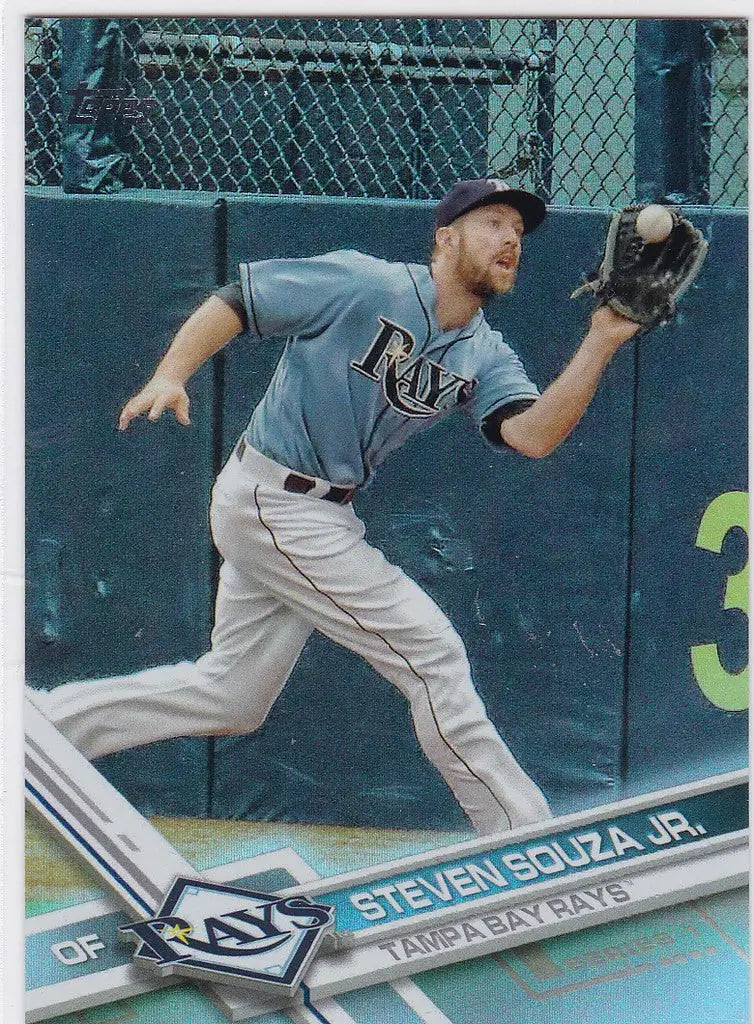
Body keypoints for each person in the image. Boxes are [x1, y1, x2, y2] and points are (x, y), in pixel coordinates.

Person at [29, 179, 640, 835]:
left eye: (518, 231)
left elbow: (532, 434)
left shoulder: (483, 351)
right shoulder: (365, 283)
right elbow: (239, 301)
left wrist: (602, 340)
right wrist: (172, 371)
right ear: (445, 238)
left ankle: (35, 733)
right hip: (275, 498)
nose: (510, 239)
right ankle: (522, 837)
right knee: (432, 656)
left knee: (232, 694)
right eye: (492, 222)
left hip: (316, 512)